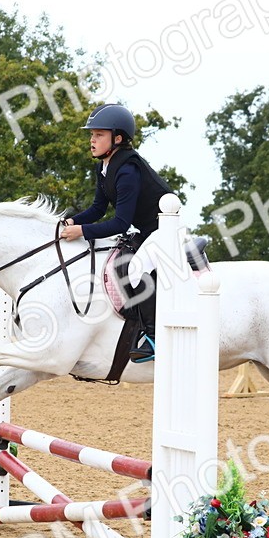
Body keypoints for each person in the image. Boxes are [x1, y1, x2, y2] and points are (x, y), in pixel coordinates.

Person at [60, 103, 173, 362]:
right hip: (148, 230)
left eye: (98, 135)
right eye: (92, 134)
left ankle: (154, 338)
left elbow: (120, 223)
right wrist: (70, 222)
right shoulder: (104, 167)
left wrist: (82, 231)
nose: (92, 140)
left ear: (117, 138)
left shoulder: (128, 170)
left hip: (166, 229)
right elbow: (98, 209)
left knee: (135, 269)